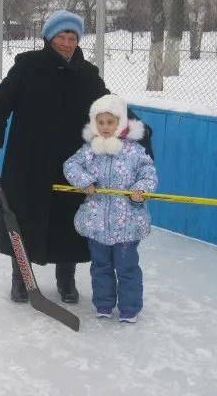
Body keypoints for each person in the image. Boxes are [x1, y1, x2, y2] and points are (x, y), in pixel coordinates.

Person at [0, 10, 153, 304]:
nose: (67, 42)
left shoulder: (87, 74)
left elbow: (108, 105)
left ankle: (66, 280)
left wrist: (135, 126)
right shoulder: (28, 66)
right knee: (22, 217)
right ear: (49, 37)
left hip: (70, 161)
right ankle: (21, 277)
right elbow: (1, 103)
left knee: (67, 221)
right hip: (29, 160)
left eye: (73, 37)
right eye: (62, 36)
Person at [63, 94, 157, 323]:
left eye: (110, 122)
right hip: (97, 223)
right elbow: (70, 165)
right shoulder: (89, 150)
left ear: (121, 122)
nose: (105, 127)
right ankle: (103, 304)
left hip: (127, 224)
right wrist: (84, 181)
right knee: (100, 266)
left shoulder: (134, 151)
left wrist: (140, 190)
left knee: (127, 268)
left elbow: (149, 174)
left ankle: (130, 308)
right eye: (100, 122)